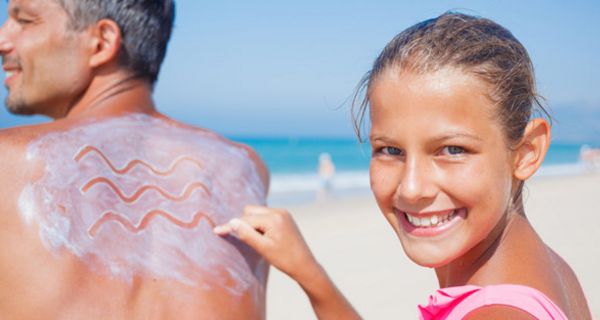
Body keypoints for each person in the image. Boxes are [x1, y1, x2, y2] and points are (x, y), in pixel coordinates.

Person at [214, 12, 593, 319]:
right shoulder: (547, 271)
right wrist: (308, 272)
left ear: (526, 152)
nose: (412, 188)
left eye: (452, 149)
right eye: (390, 150)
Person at [0, 0, 269, 319]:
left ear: (101, 41)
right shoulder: (243, 167)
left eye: (26, 21)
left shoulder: (8, 161)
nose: (4, 40)